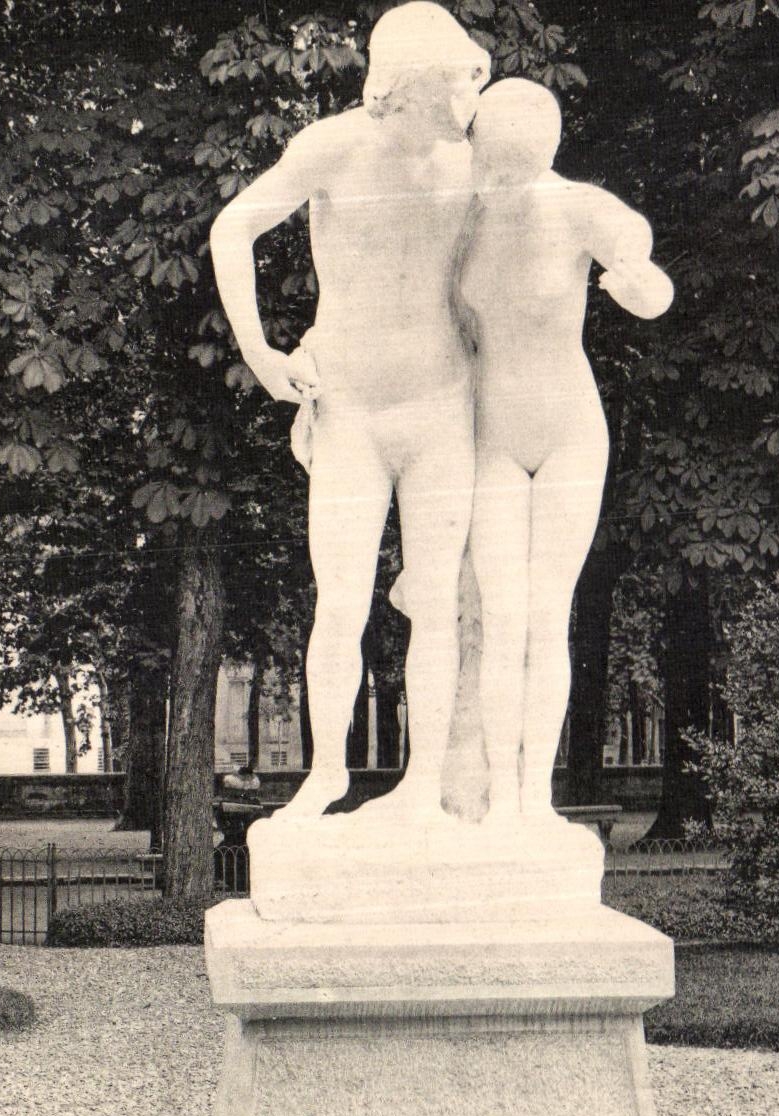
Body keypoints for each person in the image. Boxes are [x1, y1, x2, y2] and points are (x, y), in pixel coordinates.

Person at [209, 2, 490, 821]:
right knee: (341, 600)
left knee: (434, 596)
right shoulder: (334, 146)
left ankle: (425, 781)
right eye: (455, 84)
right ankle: (327, 772)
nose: (469, 99)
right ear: (404, 85)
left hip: (443, 405)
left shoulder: (472, 162)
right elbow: (234, 228)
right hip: (353, 411)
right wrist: (260, 352)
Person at [459, 78, 673, 823]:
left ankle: (530, 797)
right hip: (489, 435)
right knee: (501, 615)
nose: (495, 171)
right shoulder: (466, 218)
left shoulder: (578, 206)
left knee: (546, 616)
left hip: (566, 431)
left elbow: (640, 263)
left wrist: (633, 277)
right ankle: (495, 796)